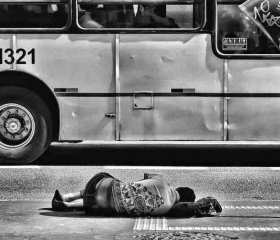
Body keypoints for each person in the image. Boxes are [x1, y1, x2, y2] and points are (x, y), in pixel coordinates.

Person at [52, 172, 222, 217]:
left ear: (179, 188)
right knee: (103, 204)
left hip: (104, 187)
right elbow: (186, 210)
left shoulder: (162, 181)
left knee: (112, 183)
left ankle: (67, 197)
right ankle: (66, 206)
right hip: (108, 206)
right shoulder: (168, 209)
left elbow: (145, 177)